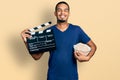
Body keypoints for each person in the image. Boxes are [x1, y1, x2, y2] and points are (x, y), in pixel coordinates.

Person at [21, 1, 97, 80]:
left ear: (69, 13)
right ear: (55, 13)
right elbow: (36, 56)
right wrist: (25, 40)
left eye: (65, 10)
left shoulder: (76, 30)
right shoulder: (48, 32)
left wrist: (87, 57)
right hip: (53, 77)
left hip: (71, 77)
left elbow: (93, 46)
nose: (62, 13)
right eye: (59, 10)